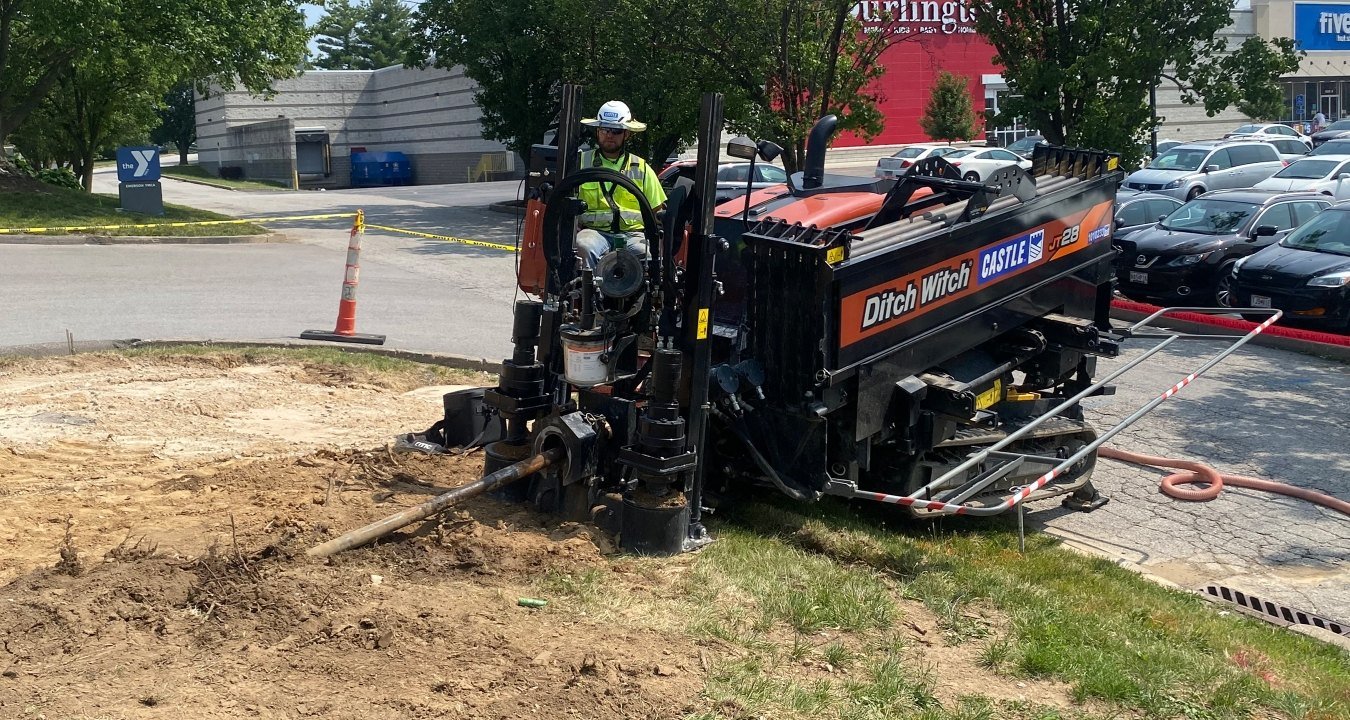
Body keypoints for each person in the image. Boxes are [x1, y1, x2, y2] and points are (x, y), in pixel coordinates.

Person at [574, 100, 667, 269]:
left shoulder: (642, 168)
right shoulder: (580, 163)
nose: (609, 135)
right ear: (597, 131)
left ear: (626, 134)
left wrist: (659, 238)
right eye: (605, 129)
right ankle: (584, 286)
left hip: (633, 235)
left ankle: (640, 287)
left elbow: (657, 212)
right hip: (593, 232)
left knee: (647, 254)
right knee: (583, 246)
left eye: (616, 131)